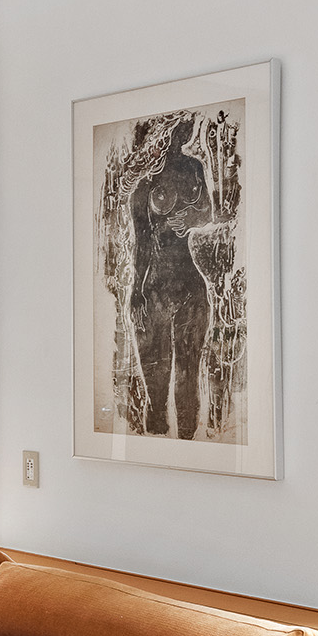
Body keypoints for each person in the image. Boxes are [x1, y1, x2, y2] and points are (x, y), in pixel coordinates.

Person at [127, 119, 213, 438]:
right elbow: (141, 245)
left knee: (187, 372)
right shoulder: (142, 191)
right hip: (155, 289)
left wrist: (190, 218)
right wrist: (136, 294)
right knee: (157, 377)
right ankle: (158, 439)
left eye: (184, 130)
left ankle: (188, 439)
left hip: (189, 284)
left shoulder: (192, 167)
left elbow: (207, 211)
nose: (183, 135)